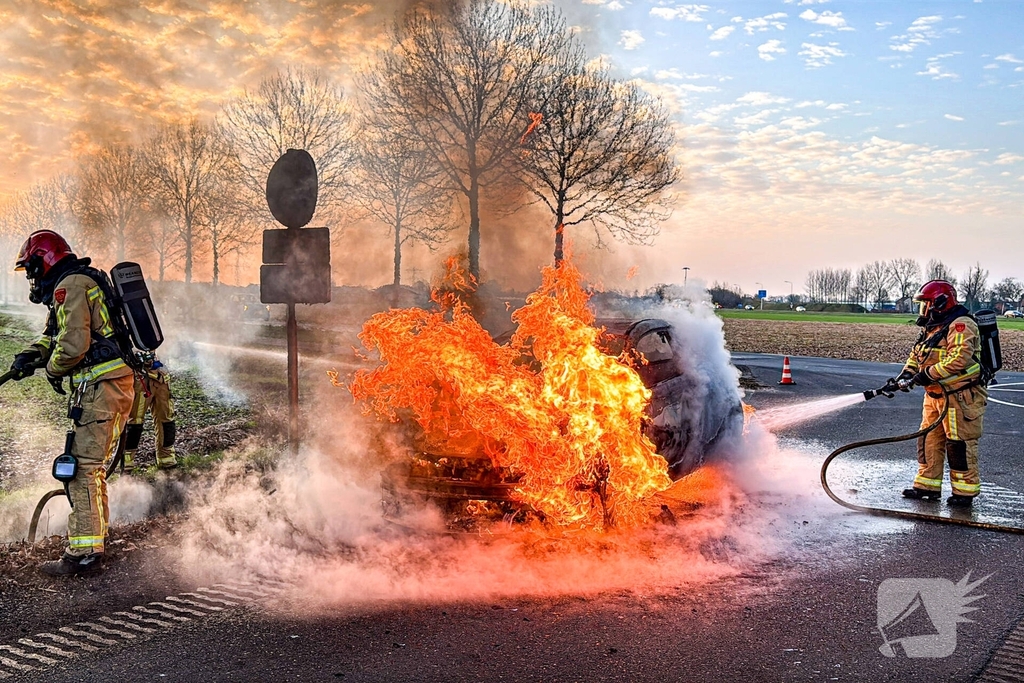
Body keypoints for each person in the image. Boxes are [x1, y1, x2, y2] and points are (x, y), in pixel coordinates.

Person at [10, 230, 134, 575]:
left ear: (43, 260)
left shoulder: (71, 286)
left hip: (102, 386)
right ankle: (92, 544)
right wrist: (28, 356)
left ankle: (84, 555)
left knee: (81, 468)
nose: (32, 277)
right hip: (106, 386)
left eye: (31, 268)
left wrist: (51, 369)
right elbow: (55, 336)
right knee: (89, 468)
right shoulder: (75, 283)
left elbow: (73, 345)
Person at [895, 280, 987, 507]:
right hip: (935, 396)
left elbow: (959, 359)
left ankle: (964, 492)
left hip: (960, 397)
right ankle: (927, 486)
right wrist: (906, 373)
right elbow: (917, 355)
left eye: (926, 304)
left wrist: (927, 375)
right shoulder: (934, 327)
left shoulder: (961, 325)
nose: (923, 309)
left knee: (958, 444)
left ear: (940, 302)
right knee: (928, 440)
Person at [123, 352, 177, 471]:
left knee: (166, 419)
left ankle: (166, 459)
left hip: (161, 377)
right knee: (134, 421)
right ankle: (126, 461)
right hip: (140, 377)